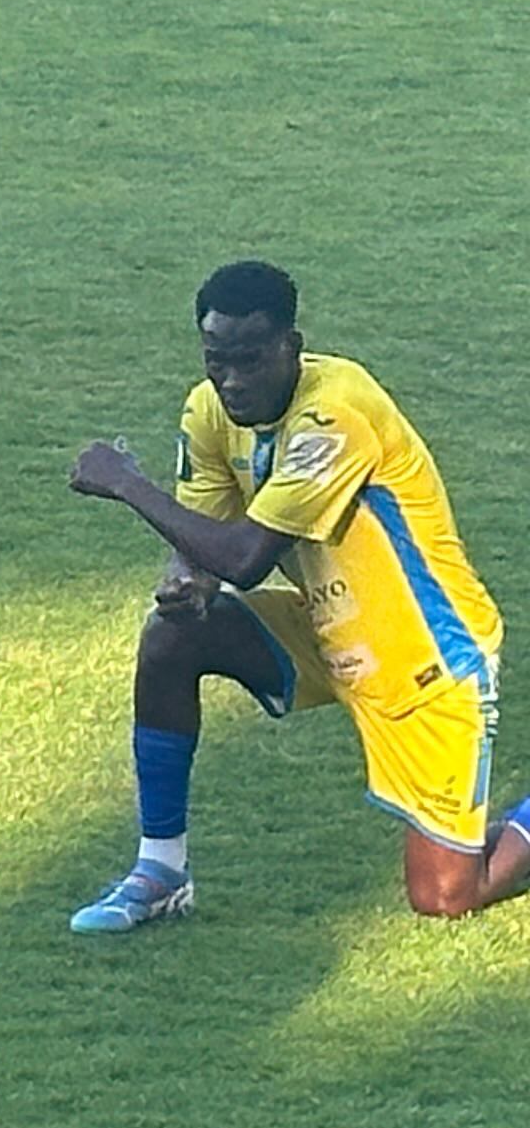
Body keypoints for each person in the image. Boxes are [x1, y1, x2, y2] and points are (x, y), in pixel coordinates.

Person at [67, 260, 520, 927]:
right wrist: (187, 584)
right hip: (325, 628)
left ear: (293, 346)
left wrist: (128, 484)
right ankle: (160, 870)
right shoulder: (209, 410)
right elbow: (207, 542)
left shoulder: (336, 414)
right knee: (173, 638)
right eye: (217, 359)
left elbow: (247, 558)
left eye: (250, 360)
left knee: (447, 897)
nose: (232, 380)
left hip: (423, 657)